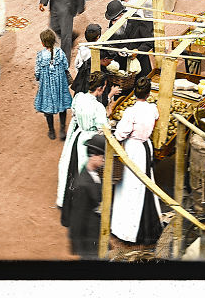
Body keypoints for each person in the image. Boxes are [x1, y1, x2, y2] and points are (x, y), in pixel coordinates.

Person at [110, 76, 163, 245]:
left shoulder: (130, 112)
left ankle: (127, 230)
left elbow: (120, 134)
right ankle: (147, 224)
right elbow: (154, 120)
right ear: (148, 94)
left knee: (130, 187)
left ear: (134, 93)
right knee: (145, 184)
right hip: (146, 147)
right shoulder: (153, 109)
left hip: (133, 149)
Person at [58, 70, 109, 224]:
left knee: (71, 169)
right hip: (89, 141)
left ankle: (68, 202)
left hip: (77, 137)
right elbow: (102, 129)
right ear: (99, 89)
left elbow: (74, 115)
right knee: (86, 173)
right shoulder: (98, 107)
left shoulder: (79, 97)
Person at [68, 131, 107, 260]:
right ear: (93, 156)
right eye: (102, 157)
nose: (103, 160)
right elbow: (77, 219)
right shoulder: (82, 185)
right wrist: (79, 247)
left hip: (96, 234)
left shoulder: (94, 174)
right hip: (88, 241)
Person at [34, 28, 73, 140]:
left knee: (48, 106)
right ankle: (62, 129)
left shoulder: (40, 55)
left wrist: (39, 78)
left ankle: (51, 131)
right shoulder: (60, 53)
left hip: (46, 85)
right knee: (62, 105)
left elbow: (37, 71)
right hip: (60, 84)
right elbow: (66, 66)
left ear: (42, 43)